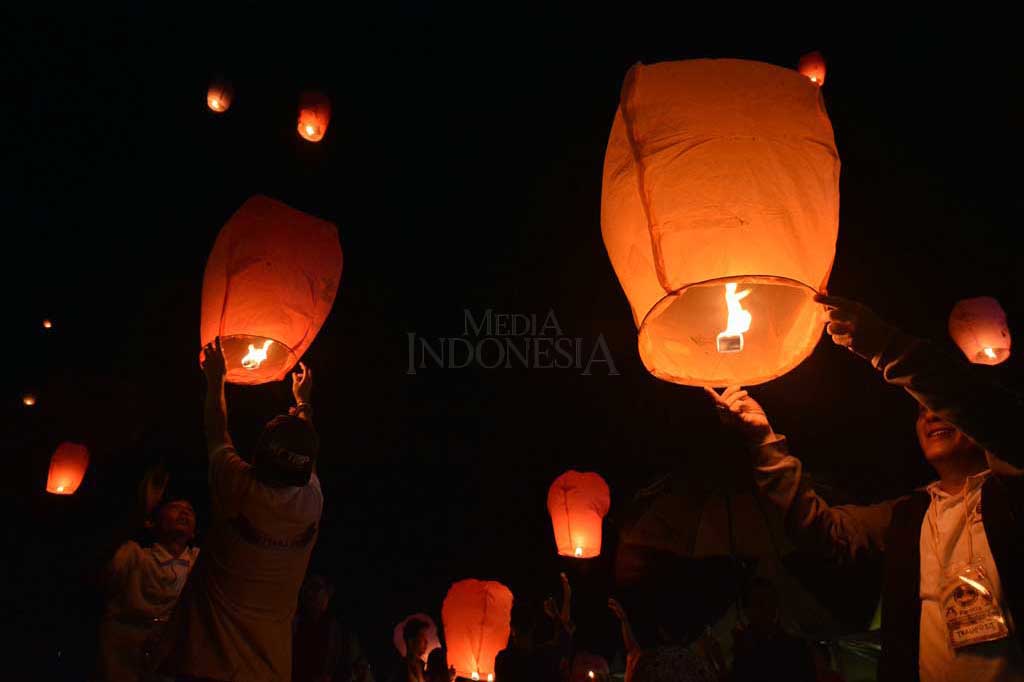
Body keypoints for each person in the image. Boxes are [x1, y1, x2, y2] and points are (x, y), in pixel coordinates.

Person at [706, 294, 1024, 682]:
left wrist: (884, 346)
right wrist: (763, 443)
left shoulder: (1012, 491)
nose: (930, 415)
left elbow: (989, 412)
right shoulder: (909, 516)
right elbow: (822, 531)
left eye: (939, 406)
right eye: (922, 410)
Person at [158, 337, 324, 681]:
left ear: (258, 456)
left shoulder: (239, 489)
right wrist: (304, 403)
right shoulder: (311, 503)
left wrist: (216, 378)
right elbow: (305, 454)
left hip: (207, 665)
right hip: (270, 670)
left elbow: (216, 429)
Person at [97, 465, 198, 681]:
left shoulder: (198, 563)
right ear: (151, 522)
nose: (184, 512)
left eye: (189, 510)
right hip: (123, 661)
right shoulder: (135, 557)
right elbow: (103, 556)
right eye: (174, 507)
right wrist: (142, 506)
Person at [607, 597, 718, 682]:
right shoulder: (694, 660)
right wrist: (624, 621)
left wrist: (624, 621)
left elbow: (634, 652)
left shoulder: (657, 662)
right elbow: (633, 652)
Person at [729, 578, 815, 682]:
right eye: (759, 602)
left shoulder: (796, 648)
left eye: (769, 601)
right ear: (747, 610)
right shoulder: (741, 649)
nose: (765, 607)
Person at [292, 574, 374, 682]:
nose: (310, 593)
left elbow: (360, 669)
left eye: (316, 587)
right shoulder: (296, 626)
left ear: (328, 592)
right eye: (306, 588)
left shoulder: (343, 634)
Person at [388, 618, 430, 682]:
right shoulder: (399, 671)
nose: (426, 641)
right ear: (411, 641)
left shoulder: (422, 668)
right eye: (422, 636)